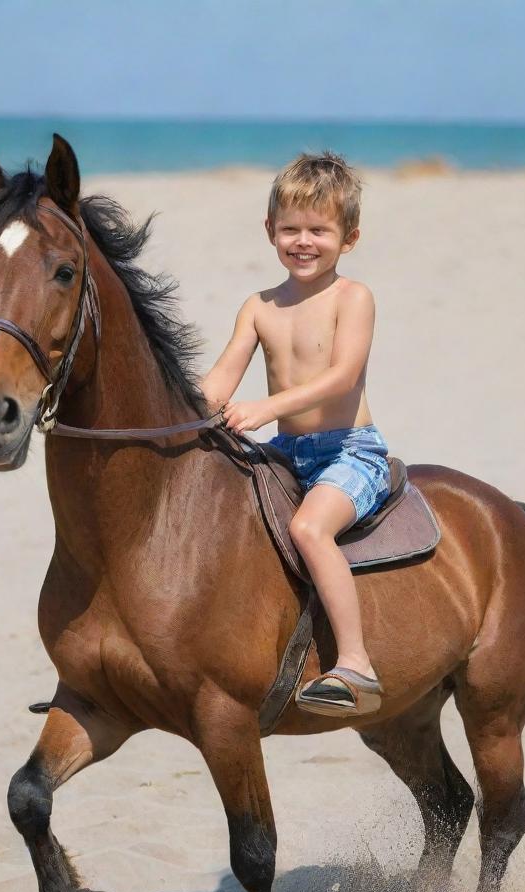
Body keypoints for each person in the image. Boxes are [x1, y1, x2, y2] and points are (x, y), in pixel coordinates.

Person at [200, 151, 390, 718]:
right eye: (290, 229)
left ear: (348, 238)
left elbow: (341, 379)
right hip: (286, 451)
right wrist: (187, 407)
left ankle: (356, 662)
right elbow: (220, 379)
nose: (303, 242)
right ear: (269, 231)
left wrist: (265, 408)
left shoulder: (352, 298)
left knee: (309, 528)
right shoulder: (259, 307)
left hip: (349, 452)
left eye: (319, 231)